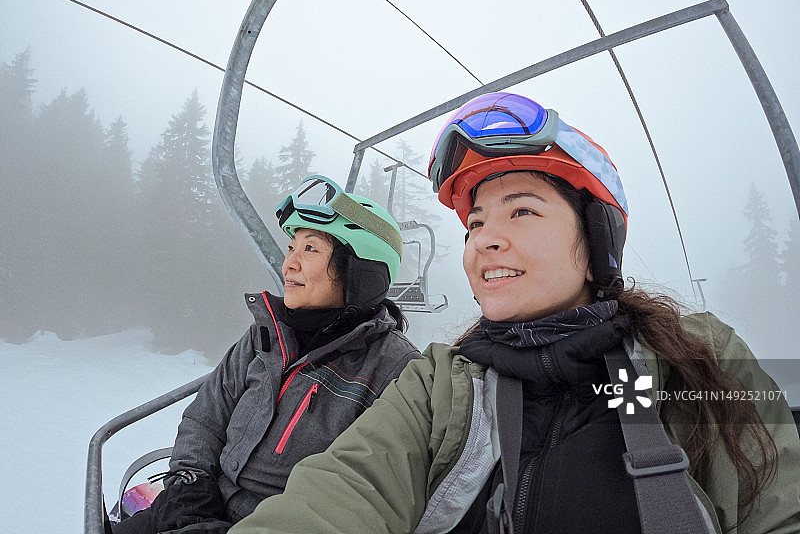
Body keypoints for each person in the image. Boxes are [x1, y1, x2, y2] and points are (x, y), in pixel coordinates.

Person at [230, 93, 800, 534]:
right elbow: (349, 490)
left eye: (522, 212)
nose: (485, 241)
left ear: (595, 238)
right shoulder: (445, 384)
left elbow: (777, 503)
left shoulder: (682, 359)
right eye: (476, 223)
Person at [111, 175, 421, 533]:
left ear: (362, 272)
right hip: (202, 502)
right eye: (292, 247)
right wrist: (192, 485)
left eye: (311, 249)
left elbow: (365, 499)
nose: (289, 263)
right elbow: (204, 418)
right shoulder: (267, 335)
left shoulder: (393, 372)